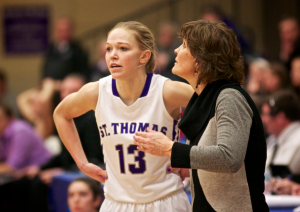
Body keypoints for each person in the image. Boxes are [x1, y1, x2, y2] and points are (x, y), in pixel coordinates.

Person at [54, 21, 193, 212]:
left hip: (165, 201)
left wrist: (190, 157)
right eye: (109, 48)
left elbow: (218, 108)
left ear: (144, 56)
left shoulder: (167, 90)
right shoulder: (97, 91)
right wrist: (82, 163)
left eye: (123, 48)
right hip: (116, 203)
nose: (113, 55)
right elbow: (61, 114)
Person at [134, 20, 269, 212]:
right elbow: (209, 158)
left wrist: (171, 149)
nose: (175, 50)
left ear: (201, 59)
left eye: (184, 46)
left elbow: (229, 157)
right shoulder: (203, 98)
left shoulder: (230, 97)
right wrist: (186, 166)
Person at [260, 90, 300, 178]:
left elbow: (280, 176)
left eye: (266, 115)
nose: (262, 119)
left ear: (280, 118)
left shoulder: (297, 141)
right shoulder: (273, 139)